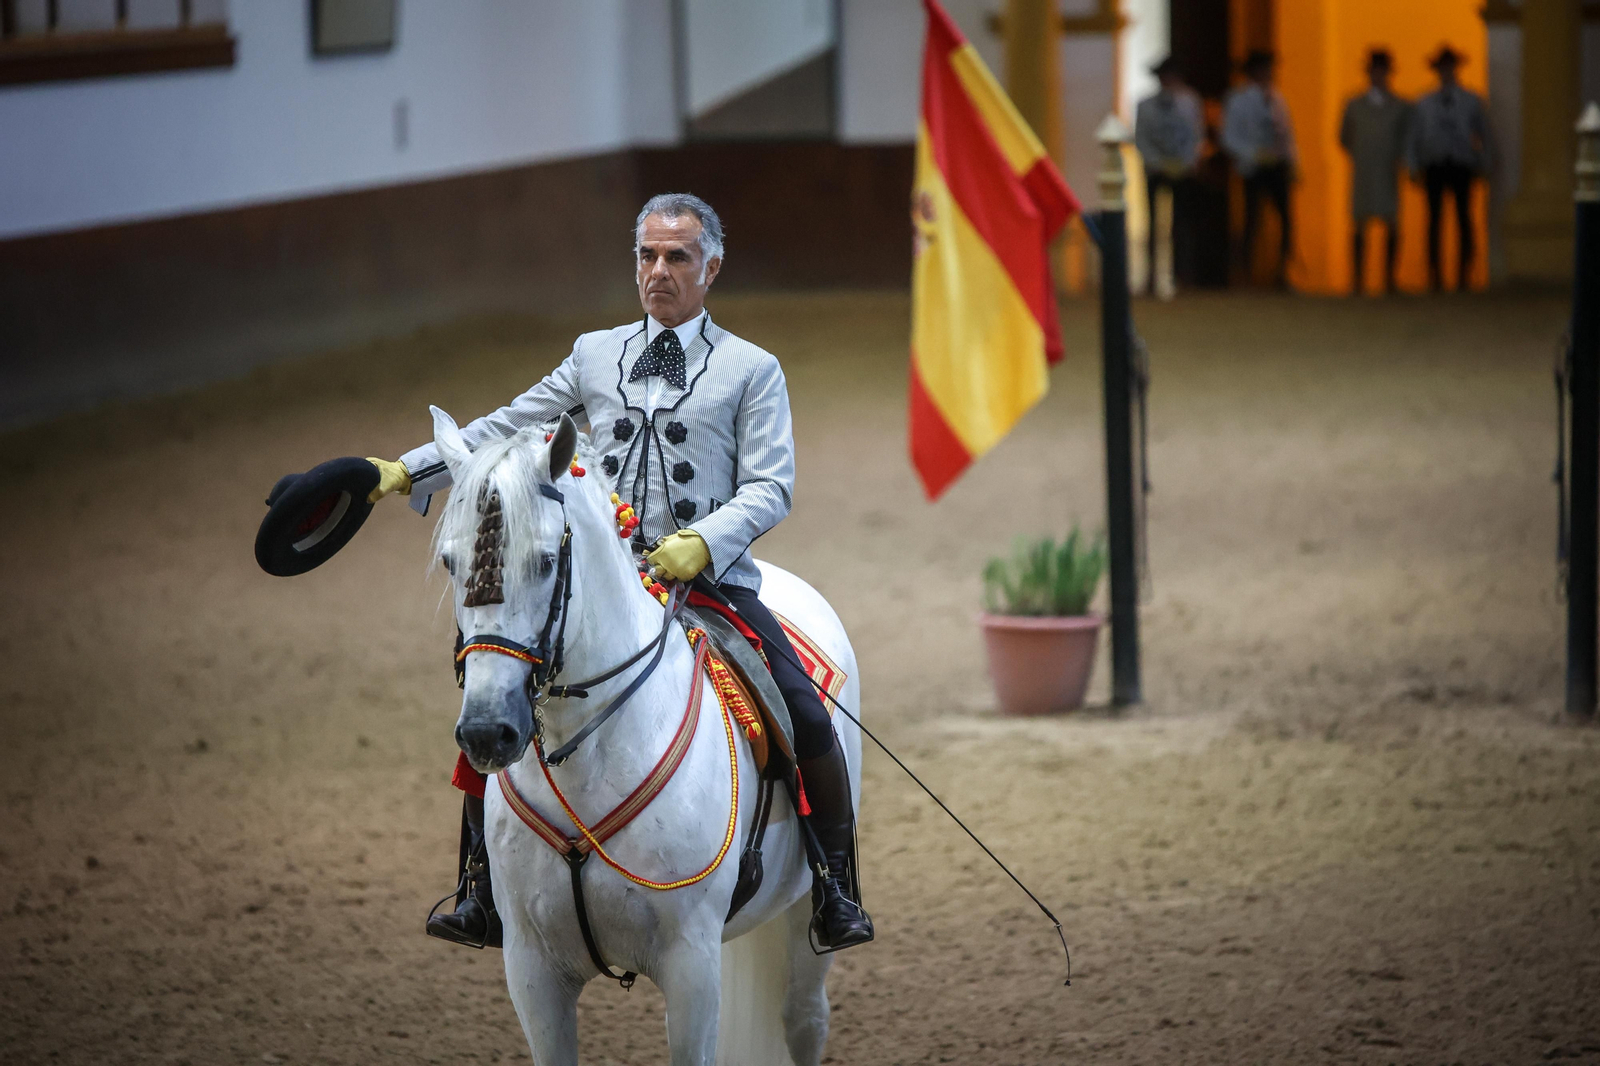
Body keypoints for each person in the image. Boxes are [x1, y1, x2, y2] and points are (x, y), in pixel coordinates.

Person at [364, 193, 875, 952]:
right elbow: (506, 425)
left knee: (798, 705)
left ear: (711, 268)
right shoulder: (594, 353)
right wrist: (409, 471)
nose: (658, 272)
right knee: (496, 691)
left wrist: (702, 543)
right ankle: (479, 886)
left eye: (676, 257)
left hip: (708, 583)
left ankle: (835, 886)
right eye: (646, 255)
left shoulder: (750, 370)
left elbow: (771, 486)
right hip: (602, 581)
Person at [1408, 45, 1490, 292]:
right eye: (1443, 67)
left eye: (1449, 66)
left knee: (1464, 220)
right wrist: (1413, 165)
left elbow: (1484, 134)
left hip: (1461, 164)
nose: (1446, 71)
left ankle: (1463, 275)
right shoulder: (1424, 103)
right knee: (1434, 221)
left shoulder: (1471, 101)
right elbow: (1414, 137)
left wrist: (1483, 163)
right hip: (1434, 164)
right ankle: (1436, 277)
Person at [1339, 49, 1413, 295]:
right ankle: (1357, 280)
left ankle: (1389, 280)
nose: (1378, 75)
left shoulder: (1400, 106)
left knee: (1391, 221)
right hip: (1364, 168)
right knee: (1359, 222)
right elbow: (1344, 137)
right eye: (1375, 70)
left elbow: (1406, 138)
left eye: (1382, 71)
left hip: (1387, 169)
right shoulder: (1354, 104)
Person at [1222, 49, 1297, 287]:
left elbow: (1287, 134)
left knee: (1285, 220)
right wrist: (1254, 154)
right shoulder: (1238, 98)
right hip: (1253, 167)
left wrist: (1293, 161)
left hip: (1277, 166)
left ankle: (1282, 272)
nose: (1269, 73)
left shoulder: (1276, 97)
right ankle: (1245, 274)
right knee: (1251, 220)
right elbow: (1229, 136)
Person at [1135, 56, 1205, 300]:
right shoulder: (1145, 105)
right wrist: (1158, 163)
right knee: (1153, 225)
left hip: (1182, 171)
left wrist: (1185, 163)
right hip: (1155, 170)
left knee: (1182, 225)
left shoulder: (1190, 102)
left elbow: (1196, 135)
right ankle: (1151, 277)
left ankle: (1182, 277)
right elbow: (1141, 138)